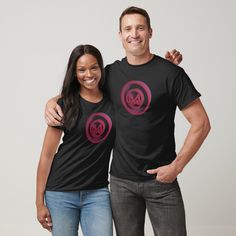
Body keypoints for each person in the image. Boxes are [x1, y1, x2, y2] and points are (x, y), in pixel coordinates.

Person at [44, 6, 210, 236]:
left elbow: (201, 123)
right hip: (121, 183)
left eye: (140, 27)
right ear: (120, 35)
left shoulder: (170, 73)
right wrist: (53, 100)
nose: (134, 34)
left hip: (162, 181)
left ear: (150, 32)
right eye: (128, 28)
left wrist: (177, 166)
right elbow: (83, 82)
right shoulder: (110, 74)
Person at [36, 44, 115, 236]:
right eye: (81, 69)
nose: (89, 74)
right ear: (74, 73)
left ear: (101, 68)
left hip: (97, 193)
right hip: (60, 192)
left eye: (94, 67)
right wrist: (39, 202)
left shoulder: (114, 101)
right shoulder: (64, 104)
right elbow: (47, 155)